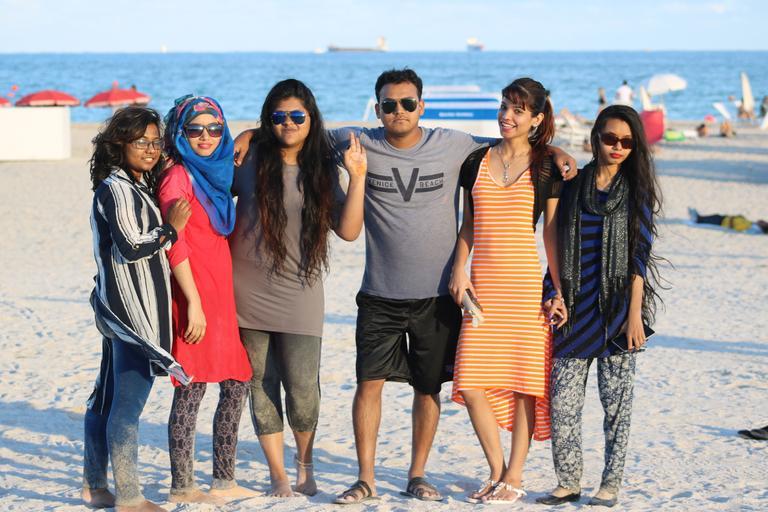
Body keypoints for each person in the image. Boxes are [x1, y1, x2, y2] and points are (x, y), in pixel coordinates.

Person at [234, 68, 577, 504]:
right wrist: (250, 133)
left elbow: (512, 144)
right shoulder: (358, 141)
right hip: (379, 292)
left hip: (437, 294)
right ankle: (366, 478)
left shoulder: (455, 145)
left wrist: (557, 149)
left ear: (422, 106)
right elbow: (301, 130)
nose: (399, 111)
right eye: (390, 104)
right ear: (378, 109)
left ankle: (418, 474)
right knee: (369, 384)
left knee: (428, 388)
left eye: (408, 103)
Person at [230, 79, 366, 498]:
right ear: (267, 120)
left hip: (301, 294)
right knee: (260, 385)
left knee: (304, 389)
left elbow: (349, 231)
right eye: (278, 116)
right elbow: (207, 187)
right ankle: (278, 474)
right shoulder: (249, 159)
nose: (287, 123)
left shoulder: (322, 169)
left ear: (311, 119)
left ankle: (305, 465)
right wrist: (245, 134)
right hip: (245, 293)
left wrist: (358, 178)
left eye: (296, 116)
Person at [537, 105, 662, 508]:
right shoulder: (573, 184)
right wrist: (554, 292)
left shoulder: (637, 191)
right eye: (610, 138)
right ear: (595, 139)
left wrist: (634, 315)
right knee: (563, 403)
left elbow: (639, 256)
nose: (617, 147)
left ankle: (609, 485)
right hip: (574, 306)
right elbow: (555, 243)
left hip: (617, 310)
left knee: (617, 407)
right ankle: (568, 481)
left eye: (627, 141)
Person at [449, 78, 567, 504]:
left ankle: (514, 474)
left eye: (518, 110)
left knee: (523, 384)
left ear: (536, 119)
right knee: (470, 381)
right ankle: (497, 469)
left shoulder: (546, 166)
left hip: (524, 288)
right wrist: (458, 269)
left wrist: (558, 289)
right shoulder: (476, 162)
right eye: (504, 106)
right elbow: (468, 225)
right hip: (482, 286)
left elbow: (551, 234)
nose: (506, 116)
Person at [83, 106, 192, 511]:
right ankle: (129, 497)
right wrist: (171, 227)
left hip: (121, 308)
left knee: (105, 400)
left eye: (155, 141)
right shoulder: (116, 189)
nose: (150, 149)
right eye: (140, 142)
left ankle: (95, 487)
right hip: (131, 314)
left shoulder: (136, 185)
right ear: (120, 144)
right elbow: (131, 246)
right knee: (127, 407)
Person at [158, 95, 255, 504]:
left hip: (221, 295)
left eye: (215, 129)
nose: (205, 137)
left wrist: (252, 133)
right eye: (195, 129)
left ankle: (224, 480)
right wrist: (193, 303)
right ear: (181, 133)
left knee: (236, 382)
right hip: (193, 295)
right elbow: (174, 245)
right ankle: (182, 485)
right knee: (191, 387)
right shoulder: (177, 177)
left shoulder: (217, 173)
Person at [688, 207, 768, 234]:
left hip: (724, 222)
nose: (763, 221)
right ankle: (698, 217)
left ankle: (697, 219)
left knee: (715, 218)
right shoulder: (752, 224)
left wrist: (731, 220)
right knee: (716, 216)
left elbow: (736, 228)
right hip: (726, 219)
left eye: (764, 222)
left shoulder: (751, 227)